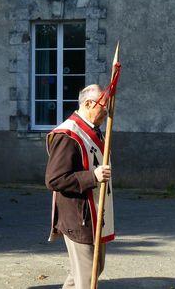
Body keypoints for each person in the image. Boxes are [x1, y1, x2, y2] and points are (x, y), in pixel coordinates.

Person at [45, 84, 115, 289]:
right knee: (87, 280)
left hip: (95, 215)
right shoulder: (67, 134)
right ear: (88, 104)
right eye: (104, 106)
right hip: (79, 217)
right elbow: (54, 179)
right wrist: (92, 176)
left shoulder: (94, 130)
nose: (108, 111)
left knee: (92, 270)